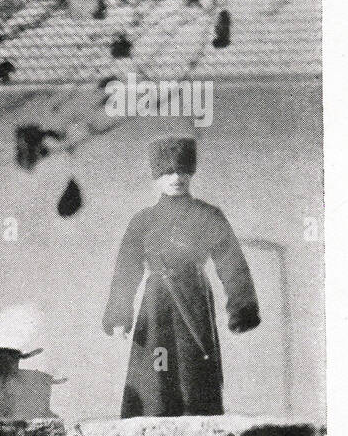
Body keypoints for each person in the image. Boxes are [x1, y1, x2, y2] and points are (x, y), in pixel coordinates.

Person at [102, 136, 260, 418]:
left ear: (190, 172)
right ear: (156, 177)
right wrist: (118, 315)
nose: (176, 178)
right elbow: (126, 269)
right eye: (167, 172)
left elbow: (231, 262)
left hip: (194, 300)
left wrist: (241, 309)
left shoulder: (208, 215)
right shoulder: (143, 221)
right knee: (155, 375)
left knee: (194, 376)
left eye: (181, 170)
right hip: (156, 305)